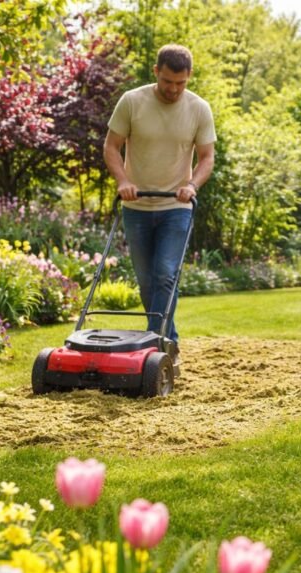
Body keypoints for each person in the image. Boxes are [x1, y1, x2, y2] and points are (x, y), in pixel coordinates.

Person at [103, 44, 216, 356]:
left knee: (166, 274)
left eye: (181, 83)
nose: (174, 89)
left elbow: (207, 157)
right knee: (147, 283)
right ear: (156, 72)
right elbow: (111, 146)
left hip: (176, 207)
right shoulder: (132, 101)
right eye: (168, 81)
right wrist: (123, 181)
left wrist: (192, 184)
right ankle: (169, 343)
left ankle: (154, 345)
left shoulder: (198, 108)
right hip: (136, 206)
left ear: (189, 76)